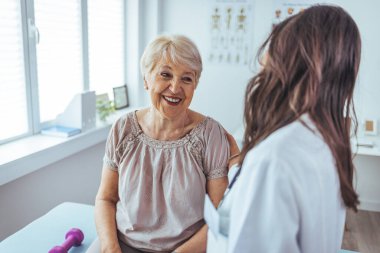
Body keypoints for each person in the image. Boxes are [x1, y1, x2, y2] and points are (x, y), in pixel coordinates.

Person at [205, 5, 361, 253]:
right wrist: (240, 167)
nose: (262, 60)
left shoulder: (273, 159)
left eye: (274, 45)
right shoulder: (327, 141)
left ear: (290, 62)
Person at [93, 34, 231, 253]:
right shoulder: (123, 129)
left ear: (195, 84)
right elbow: (105, 198)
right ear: (146, 80)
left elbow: (220, 215)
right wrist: (110, 247)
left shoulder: (210, 134)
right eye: (165, 75)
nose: (175, 88)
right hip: (122, 244)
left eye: (187, 78)